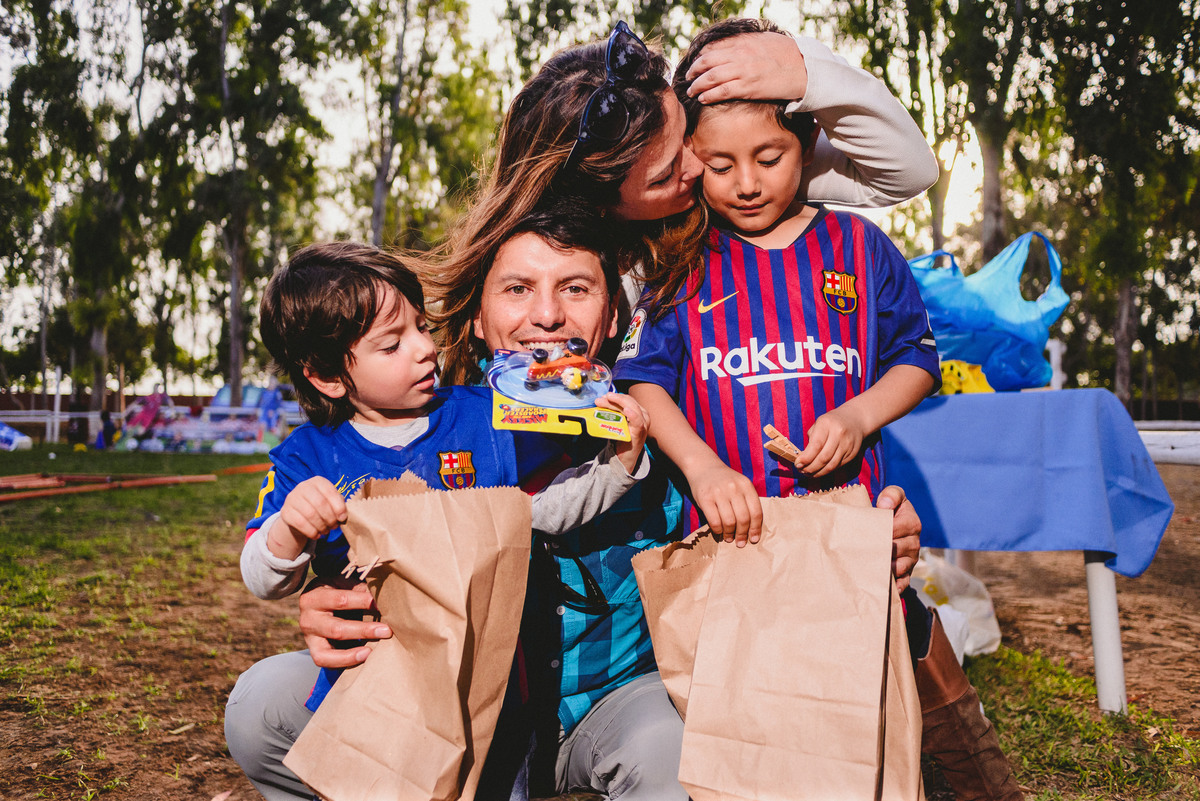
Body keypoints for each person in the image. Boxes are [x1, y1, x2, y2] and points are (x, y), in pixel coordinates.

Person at [233, 19, 934, 801]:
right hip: (474, 692)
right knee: (262, 704)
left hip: (616, 690)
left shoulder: (675, 315)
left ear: (612, 313)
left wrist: (802, 71)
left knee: (674, 758)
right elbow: (364, 488)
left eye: (575, 290)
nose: (709, 165)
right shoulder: (445, 391)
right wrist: (333, 589)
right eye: (677, 165)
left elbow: (902, 176)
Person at [614, 18, 1022, 801]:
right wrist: (700, 465)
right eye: (721, 164)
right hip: (736, 542)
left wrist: (859, 416)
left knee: (900, 669)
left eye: (769, 157)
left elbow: (918, 360)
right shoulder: (681, 265)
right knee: (758, 707)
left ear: (809, 145)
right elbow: (644, 381)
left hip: (850, 537)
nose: (747, 182)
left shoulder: (861, 249)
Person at [227, 238, 651, 799]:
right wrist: (289, 530)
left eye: (420, 329)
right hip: (373, 687)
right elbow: (261, 577)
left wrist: (618, 465)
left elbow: (540, 514)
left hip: (493, 690)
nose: (424, 350)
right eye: (391, 344)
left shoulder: (485, 415)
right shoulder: (306, 458)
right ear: (327, 377)